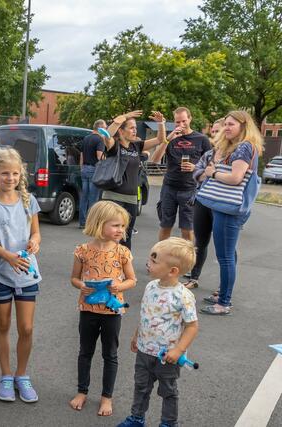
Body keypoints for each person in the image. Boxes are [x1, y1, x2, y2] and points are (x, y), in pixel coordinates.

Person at [0, 147, 42, 403]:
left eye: (15, 173)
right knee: (3, 325)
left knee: (26, 327)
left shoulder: (29, 201)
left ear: (20, 174)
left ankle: (22, 375)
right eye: (5, 173)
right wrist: (8, 257)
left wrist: (35, 242)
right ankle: (5, 375)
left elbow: (36, 233)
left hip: (27, 272)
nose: (11, 178)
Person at [117, 237, 199, 427]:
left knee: (168, 391)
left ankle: (168, 423)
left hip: (167, 356)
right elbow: (147, 314)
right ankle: (137, 418)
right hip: (145, 350)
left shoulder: (183, 296)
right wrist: (137, 335)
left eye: (154, 261)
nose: (148, 263)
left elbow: (192, 326)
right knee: (141, 386)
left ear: (172, 271)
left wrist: (178, 350)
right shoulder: (150, 286)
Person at [69, 201, 137, 417]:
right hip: (88, 310)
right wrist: (81, 285)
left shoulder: (122, 252)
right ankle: (82, 391)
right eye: (116, 225)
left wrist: (119, 286)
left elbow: (132, 280)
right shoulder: (82, 251)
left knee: (110, 354)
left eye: (123, 226)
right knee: (85, 352)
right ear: (99, 224)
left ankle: (107, 397)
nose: (121, 230)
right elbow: (74, 278)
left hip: (112, 313)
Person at [198, 111, 263, 315]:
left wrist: (213, 173)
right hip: (226, 208)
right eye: (225, 124)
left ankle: (223, 303)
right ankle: (222, 296)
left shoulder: (244, 146)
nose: (226, 127)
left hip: (228, 209)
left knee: (225, 257)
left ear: (243, 126)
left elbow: (236, 178)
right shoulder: (240, 146)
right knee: (228, 254)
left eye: (231, 124)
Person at [103, 110, 167, 249]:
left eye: (135, 128)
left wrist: (161, 124)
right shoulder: (115, 146)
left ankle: (124, 262)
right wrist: (122, 118)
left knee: (126, 235)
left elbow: (160, 140)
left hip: (131, 199)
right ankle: (108, 262)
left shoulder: (136, 146)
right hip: (114, 198)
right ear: (121, 131)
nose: (135, 131)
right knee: (111, 236)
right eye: (131, 128)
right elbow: (107, 135)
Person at [151, 107, 212, 242]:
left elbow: (211, 166)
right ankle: (162, 254)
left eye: (184, 121)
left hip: (190, 189)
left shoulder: (202, 139)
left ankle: (187, 255)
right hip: (169, 187)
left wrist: (195, 168)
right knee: (165, 226)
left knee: (187, 229)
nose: (181, 124)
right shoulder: (170, 138)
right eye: (177, 122)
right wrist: (168, 139)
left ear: (190, 119)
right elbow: (155, 159)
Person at [184, 118, 225, 289]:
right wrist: (210, 173)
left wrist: (209, 173)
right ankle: (194, 278)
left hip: (222, 204)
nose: (214, 134)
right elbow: (196, 174)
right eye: (213, 131)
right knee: (200, 242)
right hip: (202, 200)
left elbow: (233, 179)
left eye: (217, 131)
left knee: (225, 248)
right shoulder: (208, 154)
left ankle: (223, 287)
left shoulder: (234, 154)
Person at [79, 120, 107, 228]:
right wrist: (107, 159)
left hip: (84, 169)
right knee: (93, 198)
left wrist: (81, 168)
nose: (106, 129)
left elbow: (81, 155)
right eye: (105, 127)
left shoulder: (86, 138)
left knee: (84, 197)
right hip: (94, 170)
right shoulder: (100, 139)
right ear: (100, 128)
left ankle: (82, 222)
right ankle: (91, 224)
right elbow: (99, 156)